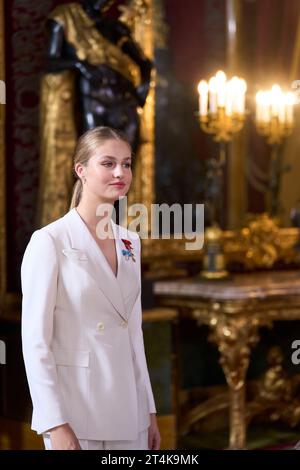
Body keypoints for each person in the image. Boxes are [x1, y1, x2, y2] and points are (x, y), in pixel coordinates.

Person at [21, 126, 161, 450]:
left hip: (130, 408)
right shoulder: (50, 241)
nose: (120, 172)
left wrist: (149, 410)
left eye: (126, 164)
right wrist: (54, 422)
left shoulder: (131, 241)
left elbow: (133, 335)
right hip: (76, 409)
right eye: (108, 163)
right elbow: (35, 343)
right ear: (81, 170)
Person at [37, 0, 153, 227]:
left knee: (121, 177)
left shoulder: (115, 28)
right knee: (96, 171)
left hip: (126, 107)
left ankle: (115, 231)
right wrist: (80, 65)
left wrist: (142, 94)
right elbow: (49, 60)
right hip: (94, 105)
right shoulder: (65, 19)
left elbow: (146, 64)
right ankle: (87, 232)